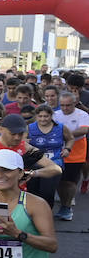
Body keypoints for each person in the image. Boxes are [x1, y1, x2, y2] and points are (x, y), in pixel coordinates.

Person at [53, 88, 89, 220]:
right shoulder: (55, 115)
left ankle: (67, 207)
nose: (65, 108)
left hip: (76, 151)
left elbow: (84, 130)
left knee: (71, 181)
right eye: (62, 105)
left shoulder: (82, 115)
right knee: (60, 181)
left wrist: (65, 135)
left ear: (74, 103)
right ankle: (64, 205)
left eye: (68, 105)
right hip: (58, 150)